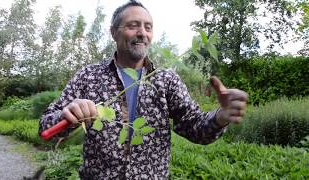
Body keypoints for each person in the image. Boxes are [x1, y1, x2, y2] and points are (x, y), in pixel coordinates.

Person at [39, 1, 248, 179]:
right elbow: (45, 127)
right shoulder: (89, 76)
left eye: (148, 27)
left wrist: (221, 116)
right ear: (113, 32)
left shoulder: (166, 80)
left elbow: (196, 128)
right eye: (133, 25)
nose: (142, 33)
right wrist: (69, 115)